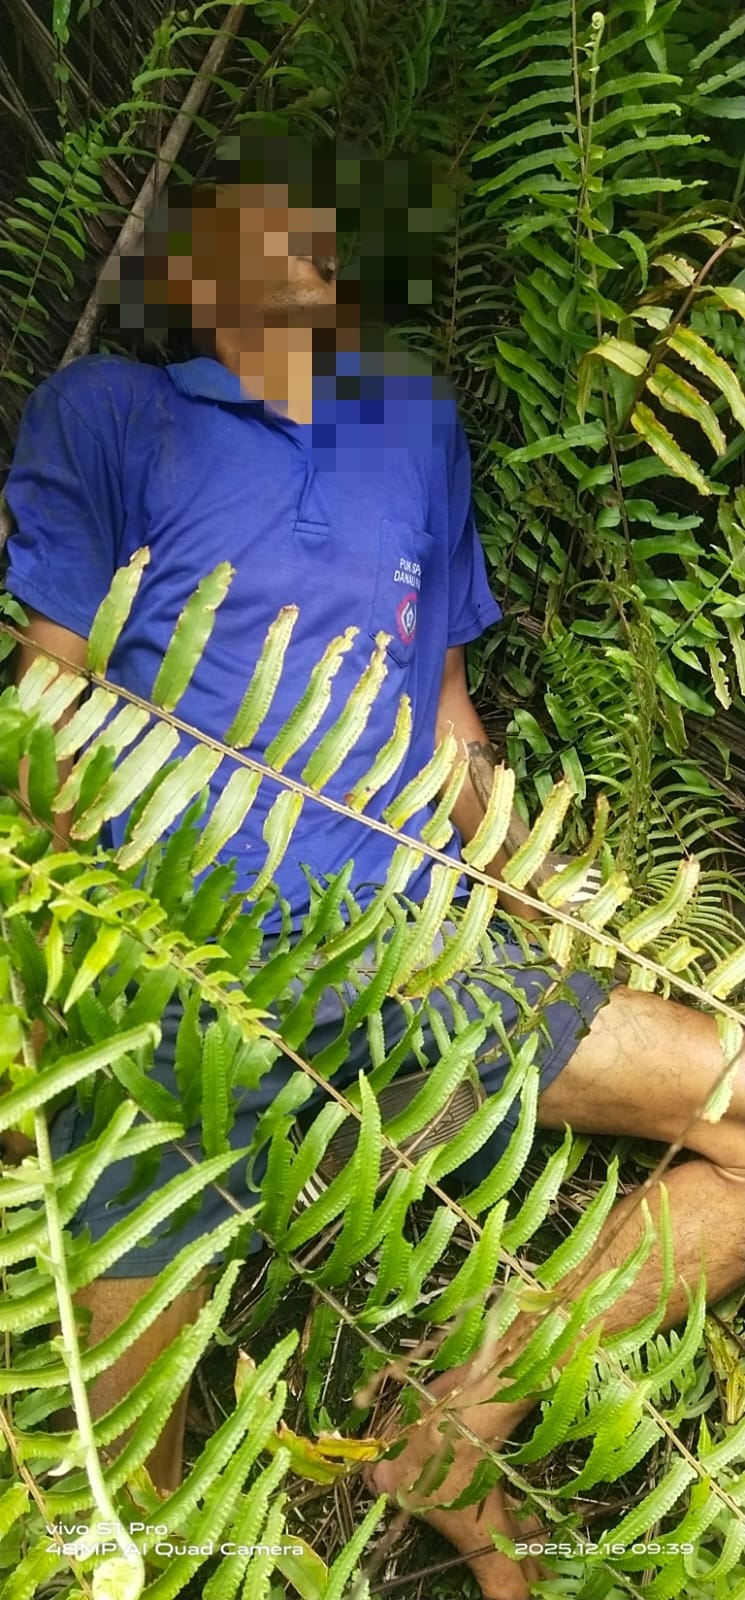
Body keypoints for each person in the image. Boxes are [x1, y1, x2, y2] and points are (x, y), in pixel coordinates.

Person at [3, 146, 745, 1600]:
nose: (296, 242)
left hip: (419, 958)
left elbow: (448, 719)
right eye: (253, 221)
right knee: (124, 1514)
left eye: (311, 220)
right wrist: (43, 995)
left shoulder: (412, 424)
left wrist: (554, 899)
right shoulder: (107, 412)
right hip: (171, 993)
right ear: (186, 267)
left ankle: (458, 1425)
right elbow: (49, 714)